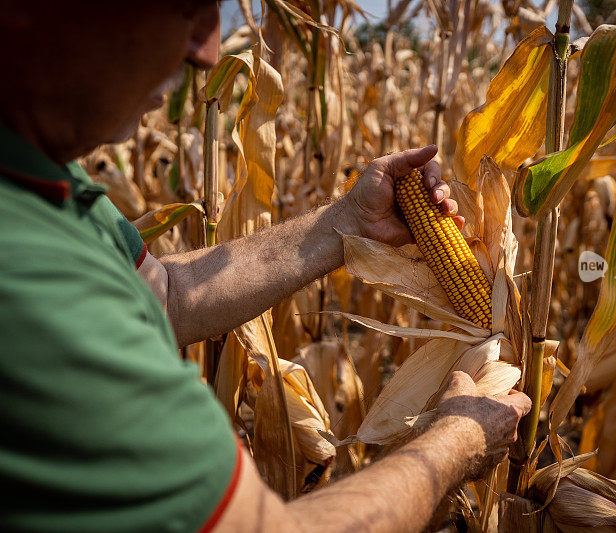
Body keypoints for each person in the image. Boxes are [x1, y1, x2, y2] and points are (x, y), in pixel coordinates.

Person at [0, 2, 531, 532]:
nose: (208, 51)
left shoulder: (39, 179)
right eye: (186, 7)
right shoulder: (30, 277)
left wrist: (349, 222)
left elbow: (165, 296)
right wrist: (457, 443)